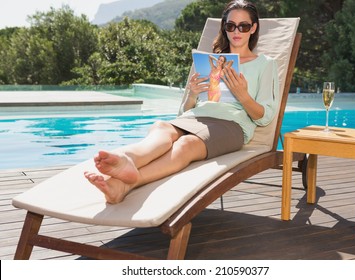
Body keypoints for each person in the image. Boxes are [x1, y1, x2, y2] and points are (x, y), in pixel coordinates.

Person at [84, 0, 279, 204]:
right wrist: (192, 95)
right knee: (161, 127)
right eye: (230, 26)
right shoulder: (211, 61)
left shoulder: (265, 64)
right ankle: (126, 161)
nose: (236, 31)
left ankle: (130, 181)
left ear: (253, 28)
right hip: (196, 117)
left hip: (231, 125)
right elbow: (184, 111)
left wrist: (243, 96)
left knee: (186, 144)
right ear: (225, 27)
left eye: (243, 26)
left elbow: (264, 117)